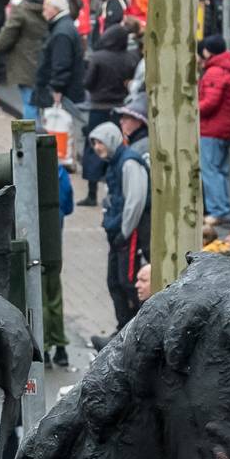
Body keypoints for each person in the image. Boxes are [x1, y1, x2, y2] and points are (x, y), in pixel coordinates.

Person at [90, 114, 149, 331]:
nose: (97, 147)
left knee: (128, 282)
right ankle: (123, 328)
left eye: (100, 142)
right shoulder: (114, 163)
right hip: (118, 233)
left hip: (129, 235)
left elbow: (135, 200)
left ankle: (137, 328)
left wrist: (124, 231)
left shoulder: (129, 163)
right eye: (94, 143)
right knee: (114, 281)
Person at [195, 34, 230, 219]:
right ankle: (224, 208)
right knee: (221, 170)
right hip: (226, 127)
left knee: (210, 170)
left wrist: (191, 109)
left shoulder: (215, 71)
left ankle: (219, 211)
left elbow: (210, 103)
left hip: (212, 129)